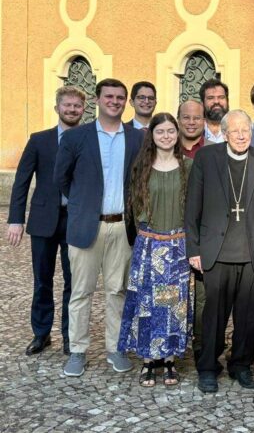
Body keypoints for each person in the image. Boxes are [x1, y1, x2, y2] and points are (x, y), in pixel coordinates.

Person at [54, 78, 144, 377]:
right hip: (86, 226)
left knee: (117, 290)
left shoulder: (135, 139)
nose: (115, 101)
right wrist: (82, 206)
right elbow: (62, 179)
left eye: (120, 97)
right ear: (97, 100)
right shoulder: (76, 138)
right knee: (81, 292)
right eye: (109, 96)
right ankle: (77, 350)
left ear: (125, 102)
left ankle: (115, 348)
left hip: (122, 227)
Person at [186, 110, 254, 393]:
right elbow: (192, 207)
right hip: (215, 251)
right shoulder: (206, 159)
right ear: (224, 134)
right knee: (213, 315)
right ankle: (208, 367)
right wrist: (193, 248)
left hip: (252, 252)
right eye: (235, 131)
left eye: (245, 131)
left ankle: (241, 364)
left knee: (248, 316)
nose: (241, 135)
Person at [8, 86, 85, 356]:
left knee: (73, 283)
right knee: (42, 280)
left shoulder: (88, 140)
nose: (72, 109)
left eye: (77, 105)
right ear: (57, 108)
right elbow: (21, 180)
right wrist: (15, 219)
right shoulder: (39, 140)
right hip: (43, 220)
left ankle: (69, 336)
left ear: (83, 109)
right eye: (67, 105)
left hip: (75, 221)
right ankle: (41, 334)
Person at [117, 113, 193, 387]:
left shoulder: (189, 167)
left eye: (170, 131)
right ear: (152, 135)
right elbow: (133, 207)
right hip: (148, 245)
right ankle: (148, 361)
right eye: (160, 131)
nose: (166, 136)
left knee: (172, 304)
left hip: (176, 247)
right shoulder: (141, 166)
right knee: (147, 305)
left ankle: (170, 360)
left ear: (177, 133)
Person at [176, 98, 214, 361]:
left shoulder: (214, 150)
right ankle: (173, 346)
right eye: (186, 117)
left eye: (197, 118)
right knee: (173, 294)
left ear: (204, 120)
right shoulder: (165, 146)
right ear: (178, 120)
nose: (191, 122)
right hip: (172, 233)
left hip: (204, 235)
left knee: (204, 296)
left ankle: (202, 346)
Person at [199, 78, 229, 143]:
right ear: (202, 103)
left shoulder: (237, 130)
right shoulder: (196, 131)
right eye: (210, 98)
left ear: (227, 101)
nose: (216, 101)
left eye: (221, 97)